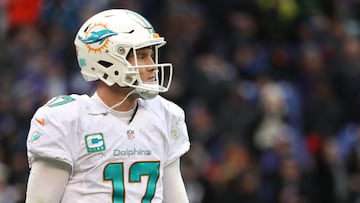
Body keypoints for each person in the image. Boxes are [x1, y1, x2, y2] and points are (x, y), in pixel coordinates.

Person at [25, 9, 190, 203]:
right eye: (142, 56)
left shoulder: (166, 114)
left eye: (151, 55)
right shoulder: (66, 119)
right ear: (108, 60)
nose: (152, 65)